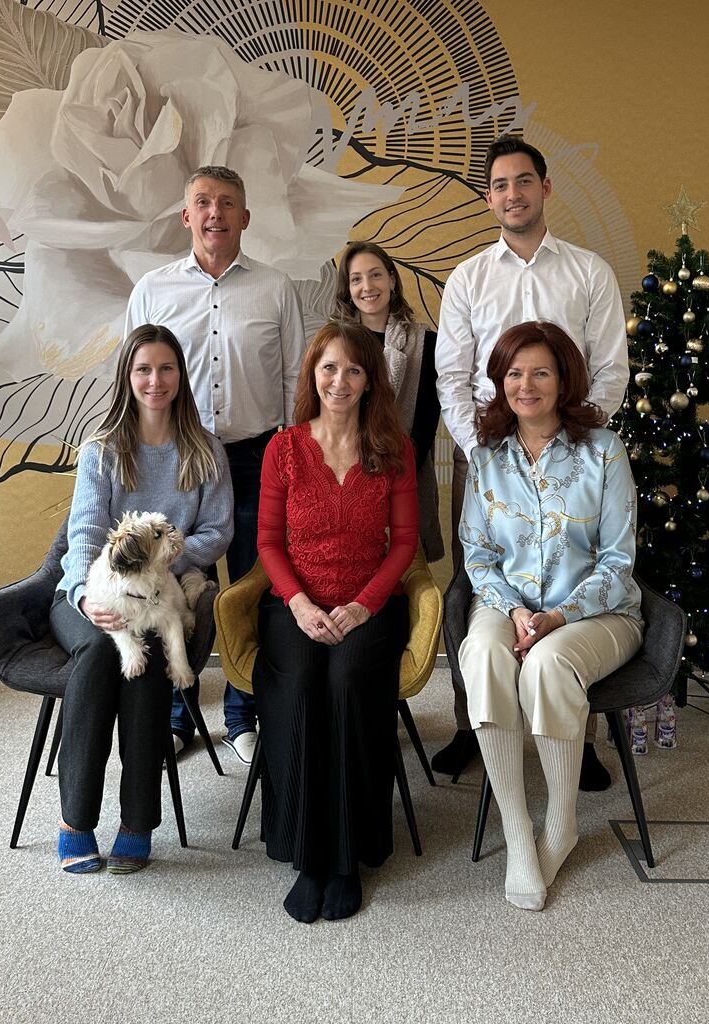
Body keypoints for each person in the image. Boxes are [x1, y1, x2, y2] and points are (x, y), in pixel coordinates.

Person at [435, 134, 629, 783]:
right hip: (487, 455)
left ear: (545, 188)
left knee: (574, 579)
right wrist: (487, 453)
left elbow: (610, 370)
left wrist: (572, 443)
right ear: (488, 198)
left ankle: (578, 734)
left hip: (574, 458)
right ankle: (473, 724)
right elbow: (452, 376)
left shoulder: (589, 272)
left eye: (523, 181)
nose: (511, 194)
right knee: (480, 586)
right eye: (499, 185)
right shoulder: (468, 277)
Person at [458, 321, 643, 910]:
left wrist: (558, 618)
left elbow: (618, 562)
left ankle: (560, 827)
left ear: (564, 379)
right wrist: (515, 610)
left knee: (547, 664)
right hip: (507, 604)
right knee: (483, 654)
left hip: (597, 613)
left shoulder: (604, 451)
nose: (526, 385)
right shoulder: (486, 458)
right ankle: (518, 831)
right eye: (514, 373)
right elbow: (477, 555)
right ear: (500, 382)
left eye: (541, 372)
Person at [125, 165, 305, 766]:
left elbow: (294, 380)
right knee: (177, 584)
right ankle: (179, 716)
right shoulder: (153, 290)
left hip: (258, 456)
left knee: (250, 588)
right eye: (202, 201)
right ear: (186, 216)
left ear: (245, 217)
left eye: (227, 202)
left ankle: (242, 715)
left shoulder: (276, 287)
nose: (214, 213)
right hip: (182, 460)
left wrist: (292, 458)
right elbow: (135, 379)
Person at [52, 324, 234, 873]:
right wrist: (83, 597)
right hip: (89, 594)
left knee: (148, 666)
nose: (156, 380)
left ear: (181, 375)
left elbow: (218, 531)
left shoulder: (205, 450)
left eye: (166, 368)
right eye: (144, 369)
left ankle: (136, 822)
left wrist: (161, 558)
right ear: (127, 377)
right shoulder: (102, 449)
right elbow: (85, 534)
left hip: (159, 594)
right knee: (97, 654)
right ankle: (75, 819)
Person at [253, 321, 419, 923]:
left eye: (353, 369)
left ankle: (347, 857)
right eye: (329, 367)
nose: (340, 380)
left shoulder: (393, 449)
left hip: (367, 605)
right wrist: (299, 603)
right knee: (299, 685)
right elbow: (268, 543)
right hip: (294, 604)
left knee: (347, 683)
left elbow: (405, 544)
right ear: (313, 375)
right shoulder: (284, 449)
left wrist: (363, 605)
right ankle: (308, 855)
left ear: (371, 379)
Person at [333, 241, 443, 562]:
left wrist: (384, 485)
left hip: (404, 479)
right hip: (343, 484)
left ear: (392, 280)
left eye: (376, 275)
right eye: (356, 279)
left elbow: (424, 428)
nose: (367, 286)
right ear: (347, 289)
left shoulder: (426, 343)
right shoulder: (334, 343)